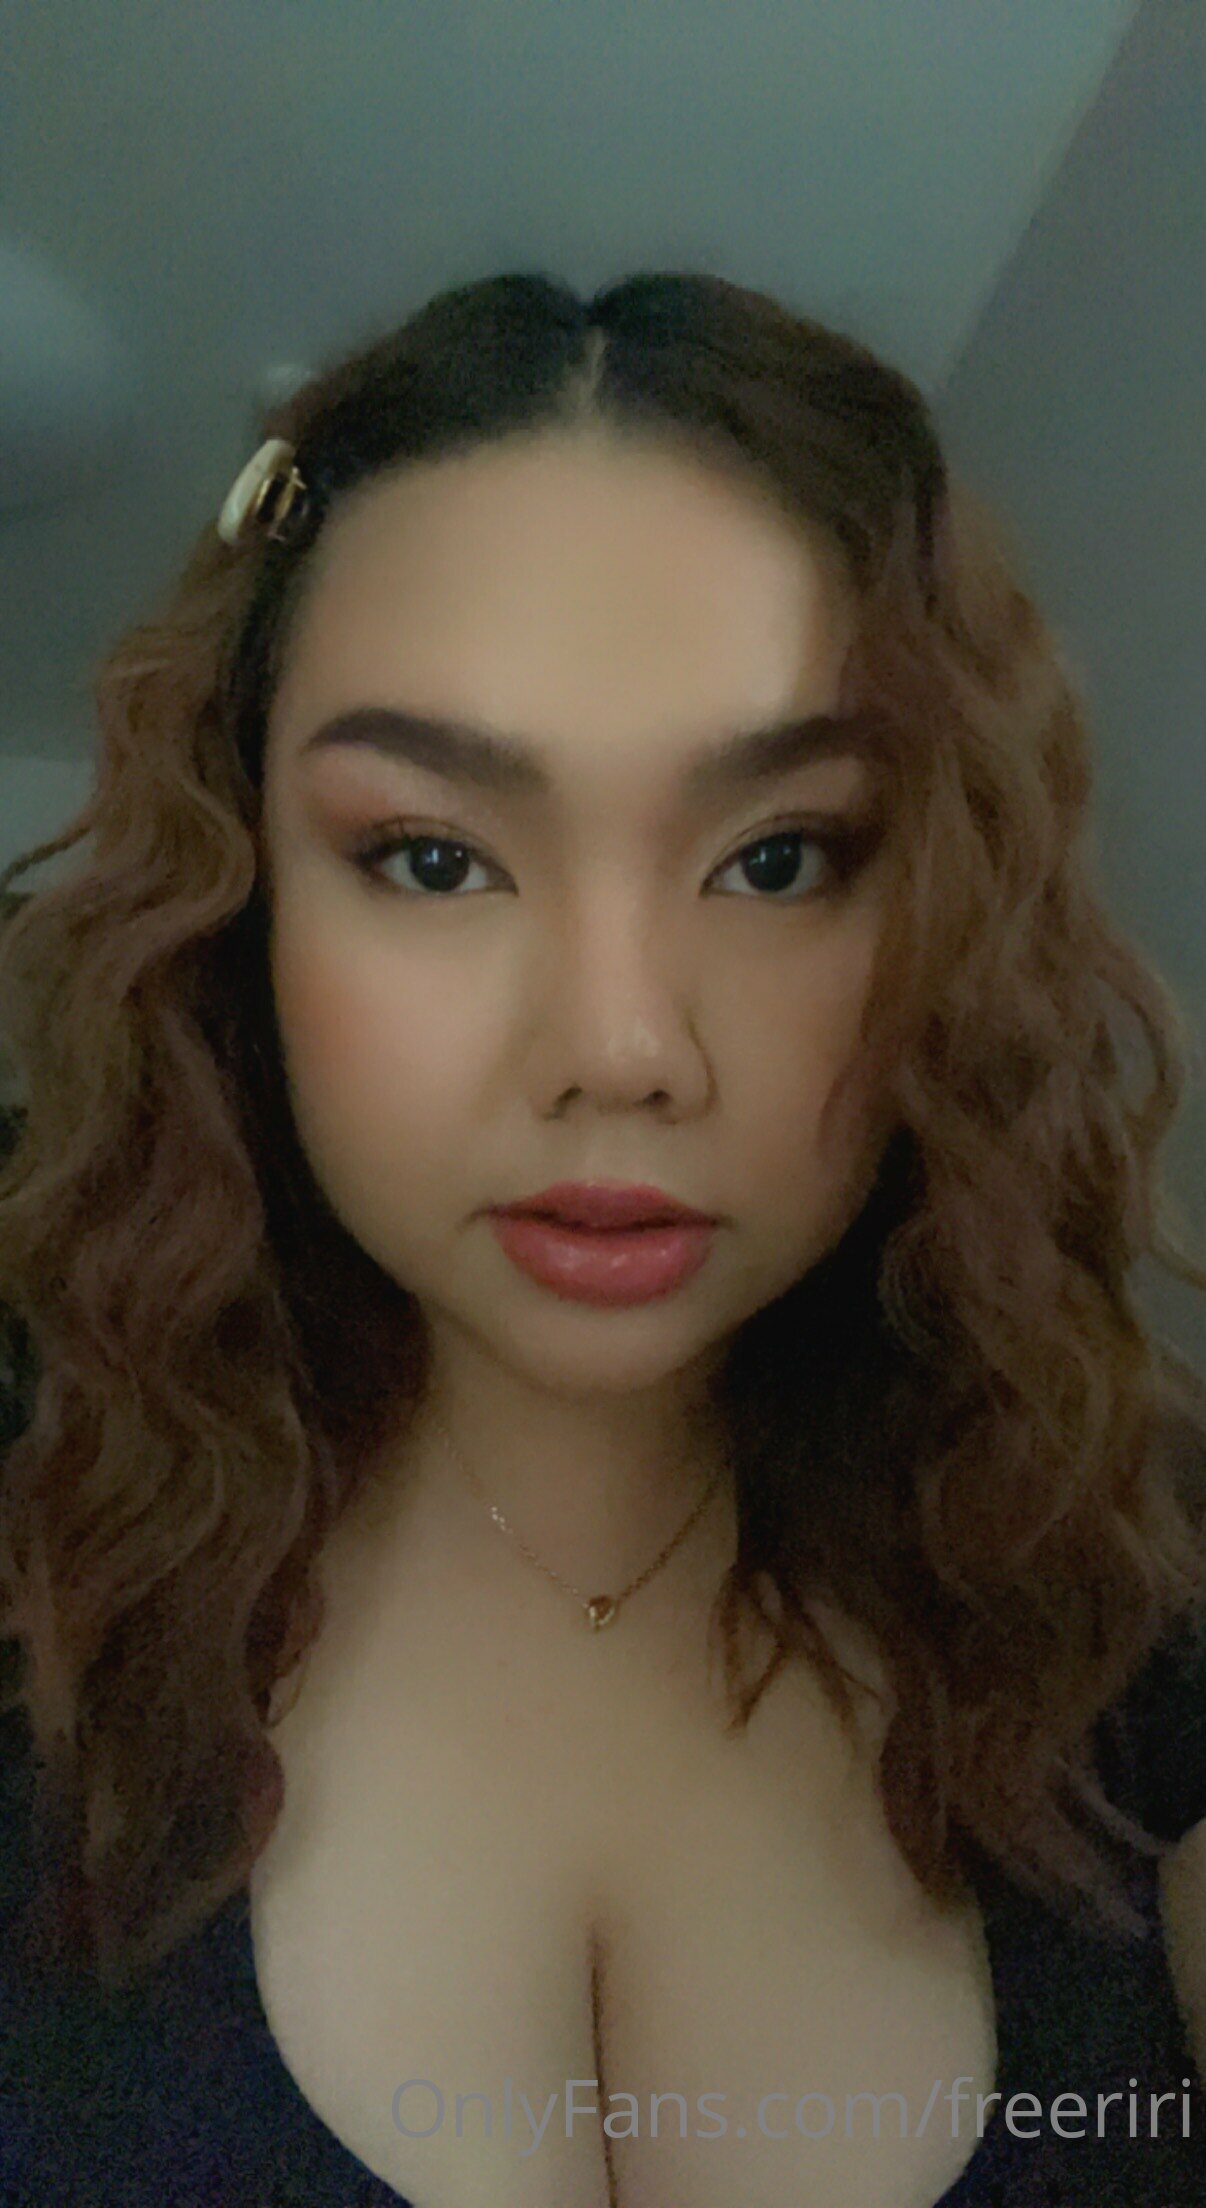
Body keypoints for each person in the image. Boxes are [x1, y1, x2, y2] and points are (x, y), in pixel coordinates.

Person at [0, 269, 1204, 2208]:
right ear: (241, 910)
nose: (624, 1048)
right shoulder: (35, 1571)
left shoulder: (1140, 1611)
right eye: (433, 857)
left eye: (779, 858)